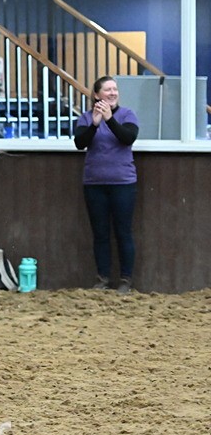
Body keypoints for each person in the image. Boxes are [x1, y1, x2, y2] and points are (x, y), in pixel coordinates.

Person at [74, 76, 139, 293]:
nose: (112, 93)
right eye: (107, 90)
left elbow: (127, 137)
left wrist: (109, 119)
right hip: (94, 183)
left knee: (123, 232)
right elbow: (79, 143)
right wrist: (94, 123)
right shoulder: (85, 117)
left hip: (123, 183)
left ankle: (125, 280)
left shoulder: (127, 114)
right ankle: (102, 278)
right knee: (100, 233)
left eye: (115, 89)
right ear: (96, 94)